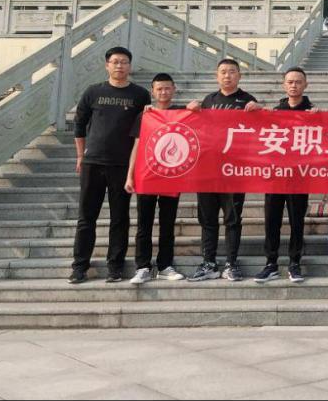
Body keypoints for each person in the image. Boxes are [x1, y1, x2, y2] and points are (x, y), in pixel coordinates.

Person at [69, 46, 151, 284]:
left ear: (130, 66)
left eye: (124, 62)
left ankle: (115, 266)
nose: (119, 66)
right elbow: (79, 124)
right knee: (86, 217)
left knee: (120, 218)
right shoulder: (93, 91)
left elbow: (146, 127)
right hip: (93, 162)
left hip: (122, 165)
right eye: (115, 62)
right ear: (107, 65)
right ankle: (79, 266)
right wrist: (80, 155)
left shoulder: (140, 94)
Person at [185, 58, 262, 283]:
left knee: (232, 218)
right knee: (207, 219)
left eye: (232, 72)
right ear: (216, 76)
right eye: (223, 72)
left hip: (234, 171)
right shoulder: (208, 100)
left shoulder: (248, 100)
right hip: (208, 169)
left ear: (239, 75)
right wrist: (190, 111)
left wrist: (259, 110)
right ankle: (208, 262)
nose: (227, 76)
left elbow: (261, 131)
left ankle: (231, 263)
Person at [125, 73, 185, 284]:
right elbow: (137, 146)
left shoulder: (181, 113)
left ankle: (165, 265)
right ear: (152, 91)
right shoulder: (145, 115)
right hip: (146, 175)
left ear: (174, 89)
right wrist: (130, 175)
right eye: (159, 89)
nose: (163, 92)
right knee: (144, 223)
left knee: (167, 223)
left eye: (167, 88)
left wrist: (194, 107)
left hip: (171, 176)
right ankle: (143, 266)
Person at [255, 67, 314, 284]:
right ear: (284, 85)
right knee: (272, 220)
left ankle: (294, 262)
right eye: (290, 82)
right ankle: (271, 263)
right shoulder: (275, 112)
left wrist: (320, 119)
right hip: (275, 176)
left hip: (299, 176)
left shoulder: (313, 113)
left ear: (305, 85)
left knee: (297, 221)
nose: (294, 85)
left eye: (298, 82)